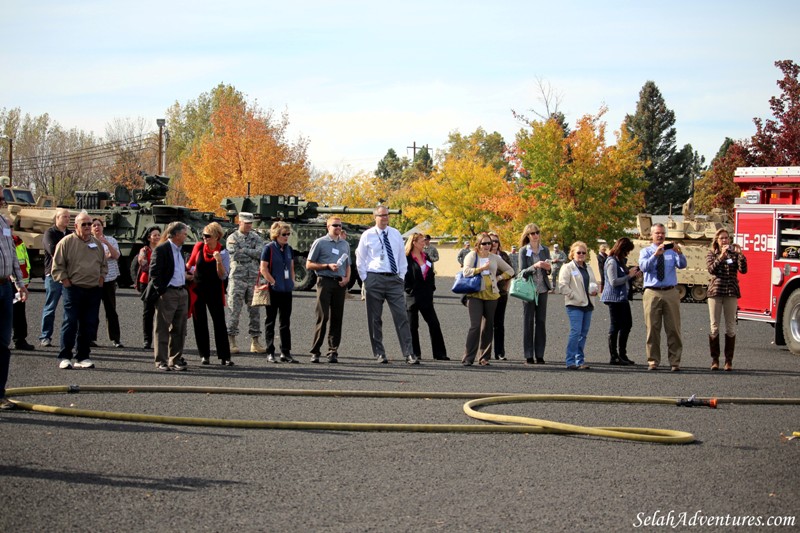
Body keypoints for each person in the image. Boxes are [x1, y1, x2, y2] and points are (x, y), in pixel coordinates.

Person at [355, 205, 419, 365]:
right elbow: (360, 258)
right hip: (374, 278)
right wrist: (365, 278)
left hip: (394, 280)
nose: (385, 218)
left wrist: (401, 276)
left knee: (402, 317)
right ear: (375, 217)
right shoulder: (367, 235)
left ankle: (409, 353)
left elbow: (401, 257)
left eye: (387, 215)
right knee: (375, 318)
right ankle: (379, 353)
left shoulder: (395, 233)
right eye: (382, 215)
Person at [51, 211, 108, 369]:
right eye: (84, 224)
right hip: (73, 289)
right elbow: (57, 266)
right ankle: (65, 356)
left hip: (93, 289)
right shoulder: (66, 242)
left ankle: (83, 357)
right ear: (76, 226)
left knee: (88, 323)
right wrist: (66, 282)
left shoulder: (97, 244)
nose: (88, 227)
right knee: (70, 322)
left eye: (90, 224)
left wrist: (101, 279)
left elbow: (104, 265)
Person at [638, 223, 687, 372]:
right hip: (652, 292)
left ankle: (675, 361)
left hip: (670, 291)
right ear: (651, 235)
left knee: (673, 328)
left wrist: (679, 253)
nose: (660, 236)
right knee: (652, 328)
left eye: (663, 233)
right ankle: (653, 361)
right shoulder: (646, 251)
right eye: (657, 233)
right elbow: (643, 267)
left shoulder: (671, 252)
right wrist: (655, 255)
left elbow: (682, 265)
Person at [460, 233, 514, 366]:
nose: (487, 246)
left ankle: (484, 357)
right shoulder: (472, 255)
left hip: (491, 294)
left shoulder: (494, 257)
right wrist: (481, 269)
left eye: (489, 243)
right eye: (484, 243)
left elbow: (511, 270)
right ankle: (468, 357)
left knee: (488, 325)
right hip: (475, 294)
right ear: (478, 244)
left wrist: (499, 278)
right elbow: (465, 272)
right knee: (475, 326)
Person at [306, 216, 350, 363]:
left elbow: (348, 264)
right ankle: (315, 351)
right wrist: (326, 266)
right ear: (328, 226)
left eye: (340, 226)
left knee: (337, 318)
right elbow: (309, 264)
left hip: (339, 284)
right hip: (324, 281)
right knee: (323, 317)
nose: (338, 228)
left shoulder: (344, 244)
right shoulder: (320, 242)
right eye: (335, 225)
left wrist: (347, 278)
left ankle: (333, 351)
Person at [187, 222, 232, 366]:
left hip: (214, 291)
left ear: (217, 237)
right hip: (198, 289)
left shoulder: (223, 252)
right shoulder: (199, 247)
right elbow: (190, 265)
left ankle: (224, 356)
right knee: (200, 323)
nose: (205, 238)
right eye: (204, 235)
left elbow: (223, 276)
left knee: (219, 323)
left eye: (208, 236)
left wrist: (218, 261)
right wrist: (186, 275)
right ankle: (204, 355)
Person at [149, 221, 191, 371]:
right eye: (184, 233)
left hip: (181, 292)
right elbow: (154, 272)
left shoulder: (179, 249)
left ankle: (176, 359)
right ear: (176, 234)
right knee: (162, 327)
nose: (186, 236)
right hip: (168, 292)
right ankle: (161, 360)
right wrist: (162, 291)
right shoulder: (162, 249)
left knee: (179, 328)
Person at [706, 228, 748, 371]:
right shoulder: (712, 254)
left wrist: (741, 254)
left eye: (727, 238)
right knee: (714, 326)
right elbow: (711, 269)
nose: (725, 240)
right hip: (716, 292)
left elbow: (743, 270)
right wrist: (722, 256)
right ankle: (715, 360)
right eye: (722, 238)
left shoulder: (734, 255)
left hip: (731, 291)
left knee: (730, 326)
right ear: (717, 241)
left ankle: (728, 360)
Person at [226, 212, 266, 354]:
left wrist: (244, 250)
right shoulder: (232, 237)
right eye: (246, 223)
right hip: (237, 279)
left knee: (255, 312)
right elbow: (235, 254)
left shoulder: (256, 237)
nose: (249, 225)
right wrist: (251, 252)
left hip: (253, 279)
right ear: (240, 222)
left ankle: (255, 342)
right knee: (234, 311)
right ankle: (231, 342)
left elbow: (261, 253)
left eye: (250, 223)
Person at [0, 211, 29, 410]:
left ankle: (0, 394)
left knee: (3, 344)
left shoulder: (3, 221)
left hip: (5, 286)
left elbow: (11, 252)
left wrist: (19, 283)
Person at [404, 232, 448, 360]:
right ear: (414, 242)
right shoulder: (406, 258)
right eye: (422, 241)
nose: (424, 243)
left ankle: (440, 353)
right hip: (412, 296)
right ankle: (415, 353)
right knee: (412, 326)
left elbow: (431, 274)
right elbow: (403, 276)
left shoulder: (426, 256)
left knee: (434, 323)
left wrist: (431, 289)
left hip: (426, 296)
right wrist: (409, 290)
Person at [600, 237, 641, 366]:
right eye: (627, 251)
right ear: (622, 249)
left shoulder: (620, 261)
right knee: (615, 326)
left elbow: (623, 278)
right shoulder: (612, 261)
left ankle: (622, 354)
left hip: (622, 297)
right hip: (614, 298)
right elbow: (613, 282)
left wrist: (632, 275)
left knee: (627, 325)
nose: (628, 253)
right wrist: (629, 275)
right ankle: (614, 356)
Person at [557, 241, 598, 370]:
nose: (581, 255)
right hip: (574, 304)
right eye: (578, 252)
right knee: (575, 332)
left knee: (583, 333)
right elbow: (563, 286)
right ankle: (570, 361)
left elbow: (593, 282)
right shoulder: (568, 267)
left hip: (588, 304)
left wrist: (594, 290)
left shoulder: (589, 268)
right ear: (572, 254)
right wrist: (575, 296)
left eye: (583, 252)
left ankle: (579, 360)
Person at [260, 221, 296, 363]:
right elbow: (263, 268)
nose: (286, 237)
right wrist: (273, 282)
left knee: (285, 322)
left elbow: (291, 266)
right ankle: (270, 351)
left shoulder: (289, 249)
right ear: (276, 235)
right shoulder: (268, 248)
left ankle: (285, 352)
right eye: (283, 234)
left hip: (286, 290)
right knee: (270, 320)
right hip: (273, 289)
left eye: (288, 234)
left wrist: (292, 281)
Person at [518, 223, 552, 364]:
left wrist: (548, 268)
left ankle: (540, 354)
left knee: (541, 322)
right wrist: (535, 266)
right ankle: (528, 355)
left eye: (537, 232)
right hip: (529, 289)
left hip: (542, 288)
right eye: (532, 233)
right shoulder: (523, 251)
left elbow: (549, 270)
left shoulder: (544, 250)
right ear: (527, 235)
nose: (535, 235)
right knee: (528, 321)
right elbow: (521, 272)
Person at [39, 207, 71, 347]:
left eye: (69, 217)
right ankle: (45, 336)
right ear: (57, 218)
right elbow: (54, 251)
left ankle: (68, 339)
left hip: (69, 276)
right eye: (64, 216)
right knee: (50, 307)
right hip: (53, 276)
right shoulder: (50, 233)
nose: (67, 219)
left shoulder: (70, 234)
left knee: (69, 308)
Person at [90, 218, 123, 348]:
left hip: (109, 279)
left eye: (99, 225)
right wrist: (105, 256)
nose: (97, 227)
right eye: (94, 226)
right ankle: (91, 338)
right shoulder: (88, 241)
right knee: (93, 310)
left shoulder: (112, 240)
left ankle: (115, 339)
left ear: (103, 227)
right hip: (94, 279)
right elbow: (92, 259)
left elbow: (116, 255)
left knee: (111, 310)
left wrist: (107, 245)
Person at [489, 232, 512, 361]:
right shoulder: (483, 256)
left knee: (499, 323)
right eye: (491, 241)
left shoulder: (503, 256)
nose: (494, 244)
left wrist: (506, 287)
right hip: (487, 294)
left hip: (501, 293)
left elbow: (511, 272)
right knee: (487, 323)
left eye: (496, 241)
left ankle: (500, 352)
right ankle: (485, 352)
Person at [11, 224, 35, 351]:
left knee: (19, 313)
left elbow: (24, 263)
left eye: (11, 226)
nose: (9, 228)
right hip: (5, 282)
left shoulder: (18, 242)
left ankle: (20, 340)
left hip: (17, 282)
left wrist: (23, 283)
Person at [137, 226, 161, 350]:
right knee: (148, 312)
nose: (157, 237)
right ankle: (147, 340)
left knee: (162, 312)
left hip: (160, 283)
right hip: (146, 283)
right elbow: (144, 265)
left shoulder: (163, 249)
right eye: (154, 235)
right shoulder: (144, 250)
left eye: (158, 235)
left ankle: (161, 341)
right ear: (149, 238)